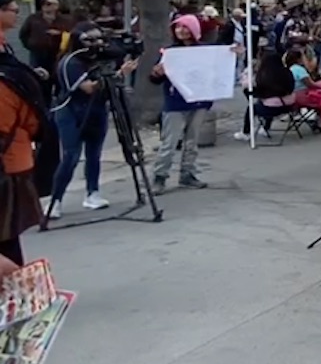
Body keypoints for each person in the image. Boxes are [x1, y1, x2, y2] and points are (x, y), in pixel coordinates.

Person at [45, 23, 138, 218]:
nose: (96, 44)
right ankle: (56, 201)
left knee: (94, 154)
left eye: (99, 38)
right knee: (71, 156)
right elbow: (88, 88)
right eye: (89, 39)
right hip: (71, 112)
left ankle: (93, 192)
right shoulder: (70, 62)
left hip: (97, 110)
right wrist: (120, 73)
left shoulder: (101, 57)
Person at [0, 0, 60, 266]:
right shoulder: (8, 78)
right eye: (12, 10)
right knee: (7, 240)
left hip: (13, 159)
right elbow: (25, 118)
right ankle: (12, 297)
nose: (16, 14)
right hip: (9, 164)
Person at [148, 15, 223, 195]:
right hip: (175, 102)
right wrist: (157, 73)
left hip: (198, 101)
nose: (180, 30)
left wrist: (233, 52)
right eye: (177, 27)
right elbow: (155, 79)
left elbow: (218, 65)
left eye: (185, 27)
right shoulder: (169, 52)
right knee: (170, 142)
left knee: (192, 141)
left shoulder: (204, 51)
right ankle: (160, 176)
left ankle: (187, 173)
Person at [233, 48, 296, 141]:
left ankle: (246, 132)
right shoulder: (287, 72)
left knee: (252, 107)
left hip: (271, 108)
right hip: (289, 105)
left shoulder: (264, 75)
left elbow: (260, 92)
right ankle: (265, 128)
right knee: (267, 101)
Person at [18, 0, 69, 103]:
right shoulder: (33, 18)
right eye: (46, 4)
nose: (49, 7)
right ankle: (41, 102)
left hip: (57, 53)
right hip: (38, 52)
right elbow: (23, 34)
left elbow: (71, 34)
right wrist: (30, 45)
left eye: (52, 4)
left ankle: (58, 102)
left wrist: (59, 34)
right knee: (38, 77)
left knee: (57, 77)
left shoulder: (63, 19)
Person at [286, 49, 321, 129]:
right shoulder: (299, 69)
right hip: (302, 96)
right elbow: (310, 84)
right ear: (298, 59)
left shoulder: (289, 69)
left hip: (293, 95)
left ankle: (317, 119)